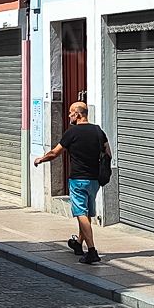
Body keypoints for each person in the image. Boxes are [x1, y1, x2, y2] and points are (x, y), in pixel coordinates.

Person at [34, 101, 110, 265]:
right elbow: (108, 153)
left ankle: (92, 251)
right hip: (94, 181)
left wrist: (41, 159)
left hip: (78, 180)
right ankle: (78, 244)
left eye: (70, 113)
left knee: (81, 214)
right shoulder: (98, 131)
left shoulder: (72, 133)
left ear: (78, 114)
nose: (69, 116)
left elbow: (55, 153)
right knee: (86, 214)